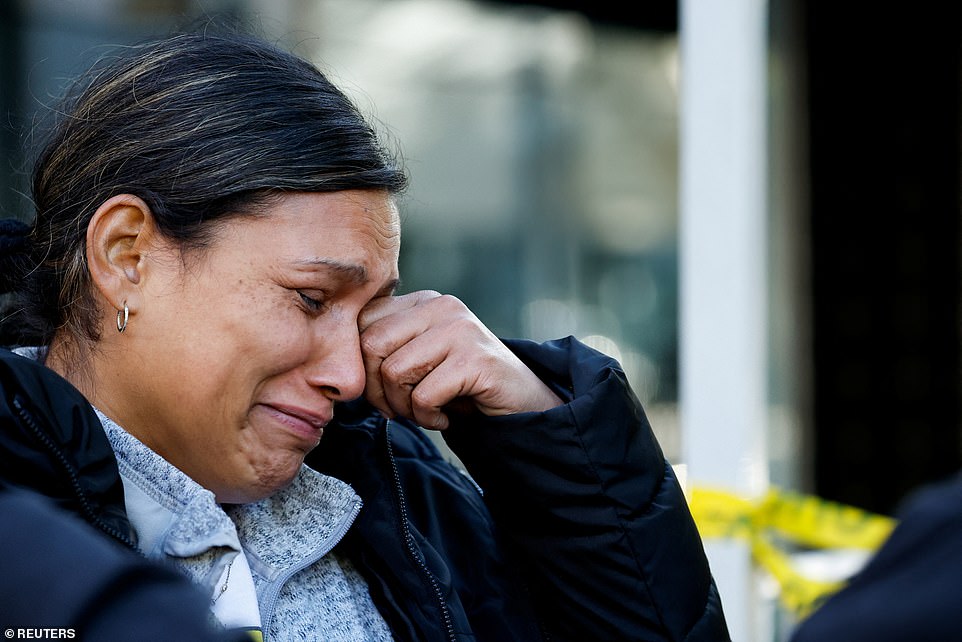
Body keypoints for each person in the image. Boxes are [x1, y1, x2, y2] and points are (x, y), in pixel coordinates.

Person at [0, 29, 728, 641]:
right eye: (310, 298)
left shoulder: (399, 496)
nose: (350, 376)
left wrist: (545, 440)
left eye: (371, 313)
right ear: (126, 255)